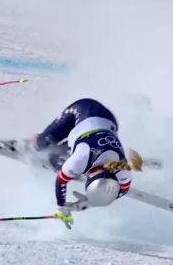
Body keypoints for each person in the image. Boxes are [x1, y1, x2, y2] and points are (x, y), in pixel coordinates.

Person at [33, 98, 144, 229]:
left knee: (67, 159)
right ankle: (32, 143)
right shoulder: (81, 158)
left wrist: (90, 202)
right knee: (46, 149)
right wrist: (61, 207)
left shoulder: (123, 171)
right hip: (84, 110)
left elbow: (123, 190)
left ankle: (64, 146)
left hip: (106, 122)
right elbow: (60, 181)